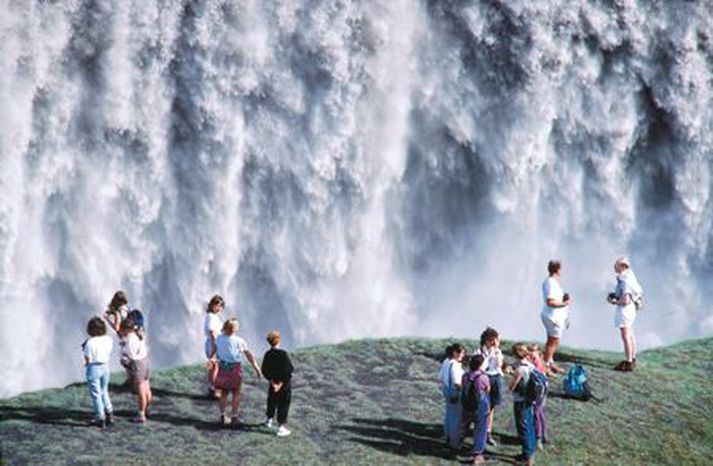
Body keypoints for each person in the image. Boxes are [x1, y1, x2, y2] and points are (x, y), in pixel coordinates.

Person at [214, 318, 262, 426]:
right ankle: (234, 417)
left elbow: (215, 350)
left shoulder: (219, 339)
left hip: (222, 368)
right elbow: (249, 355)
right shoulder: (239, 341)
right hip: (235, 369)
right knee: (236, 393)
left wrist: (212, 359)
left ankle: (222, 416)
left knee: (224, 393)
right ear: (235, 329)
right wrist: (256, 368)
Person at [607, 256, 643, 372]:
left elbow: (626, 299)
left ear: (622, 266)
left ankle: (628, 362)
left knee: (625, 335)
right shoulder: (629, 276)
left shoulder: (624, 280)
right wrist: (615, 294)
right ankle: (633, 358)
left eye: (616, 265)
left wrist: (614, 301)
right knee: (631, 334)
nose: (614, 267)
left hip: (625, 310)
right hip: (631, 309)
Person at [119, 315, 152, 423]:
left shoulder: (130, 340)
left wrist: (124, 360)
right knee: (147, 387)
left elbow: (131, 356)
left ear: (127, 329)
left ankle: (141, 415)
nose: (121, 332)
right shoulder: (139, 334)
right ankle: (147, 409)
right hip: (145, 361)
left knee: (141, 390)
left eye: (122, 330)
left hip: (137, 365)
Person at [261, 330, 294, 437]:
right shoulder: (283, 354)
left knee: (272, 401)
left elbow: (264, 370)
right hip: (283, 386)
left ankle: (269, 420)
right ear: (278, 340)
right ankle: (281, 427)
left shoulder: (267, 354)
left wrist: (272, 382)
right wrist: (280, 384)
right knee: (283, 404)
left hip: (272, 384)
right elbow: (288, 370)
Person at [540, 260, 571, 374]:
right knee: (555, 342)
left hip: (554, 316)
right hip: (552, 316)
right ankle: (545, 365)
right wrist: (564, 304)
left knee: (551, 340)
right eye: (561, 269)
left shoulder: (552, 282)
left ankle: (550, 362)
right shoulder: (551, 283)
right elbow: (550, 301)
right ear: (557, 269)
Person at [82, 316, 114, 428]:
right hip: (105, 366)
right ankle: (109, 411)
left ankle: (100, 416)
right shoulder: (108, 340)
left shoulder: (89, 342)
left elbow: (87, 358)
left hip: (94, 367)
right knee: (104, 390)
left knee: (95, 393)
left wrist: (87, 364)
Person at [509, 343, 536, 466]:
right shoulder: (531, 365)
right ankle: (529, 452)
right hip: (530, 399)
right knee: (529, 426)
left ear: (515, 354)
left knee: (523, 428)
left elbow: (511, 387)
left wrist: (511, 374)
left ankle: (527, 458)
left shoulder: (520, 370)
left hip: (520, 400)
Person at [476, 327, 504, 447]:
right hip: (484, 378)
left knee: (491, 407)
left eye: (495, 340)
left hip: (495, 378)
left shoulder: (498, 352)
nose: (493, 343)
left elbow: (500, 365)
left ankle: (488, 432)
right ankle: (481, 431)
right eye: (490, 340)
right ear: (485, 341)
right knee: (482, 406)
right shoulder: (478, 352)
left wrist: (497, 354)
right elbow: (480, 368)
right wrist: (487, 357)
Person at [461, 354, 490, 464]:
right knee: (480, 430)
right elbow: (488, 389)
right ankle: (477, 455)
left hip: (467, 405)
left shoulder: (465, 376)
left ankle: (456, 444)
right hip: (480, 407)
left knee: (464, 426)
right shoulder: (483, 377)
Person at [440, 343, 466, 451]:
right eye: (462, 353)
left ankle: (448, 437)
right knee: (456, 418)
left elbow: (440, 376)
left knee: (449, 415)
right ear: (455, 353)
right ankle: (454, 443)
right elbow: (457, 382)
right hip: (455, 392)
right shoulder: (455, 365)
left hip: (446, 390)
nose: (463, 355)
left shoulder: (446, 361)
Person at [527, 344, 549, 450]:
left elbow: (532, 374)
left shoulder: (536, 363)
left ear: (538, 352)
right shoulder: (540, 361)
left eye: (533, 351)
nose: (530, 353)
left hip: (538, 391)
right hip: (542, 389)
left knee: (536, 413)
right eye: (529, 350)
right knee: (540, 412)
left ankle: (538, 438)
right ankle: (544, 435)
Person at [204, 294, 225, 398]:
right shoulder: (211, 317)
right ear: (212, 305)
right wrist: (215, 349)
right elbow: (212, 333)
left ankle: (212, 388)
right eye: (217, 305)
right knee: (215, 366)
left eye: (221, 306)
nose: (219, 307)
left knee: (214, 367)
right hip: (213, 343)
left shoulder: (213, 317)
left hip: (214, 343)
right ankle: (215, 390)